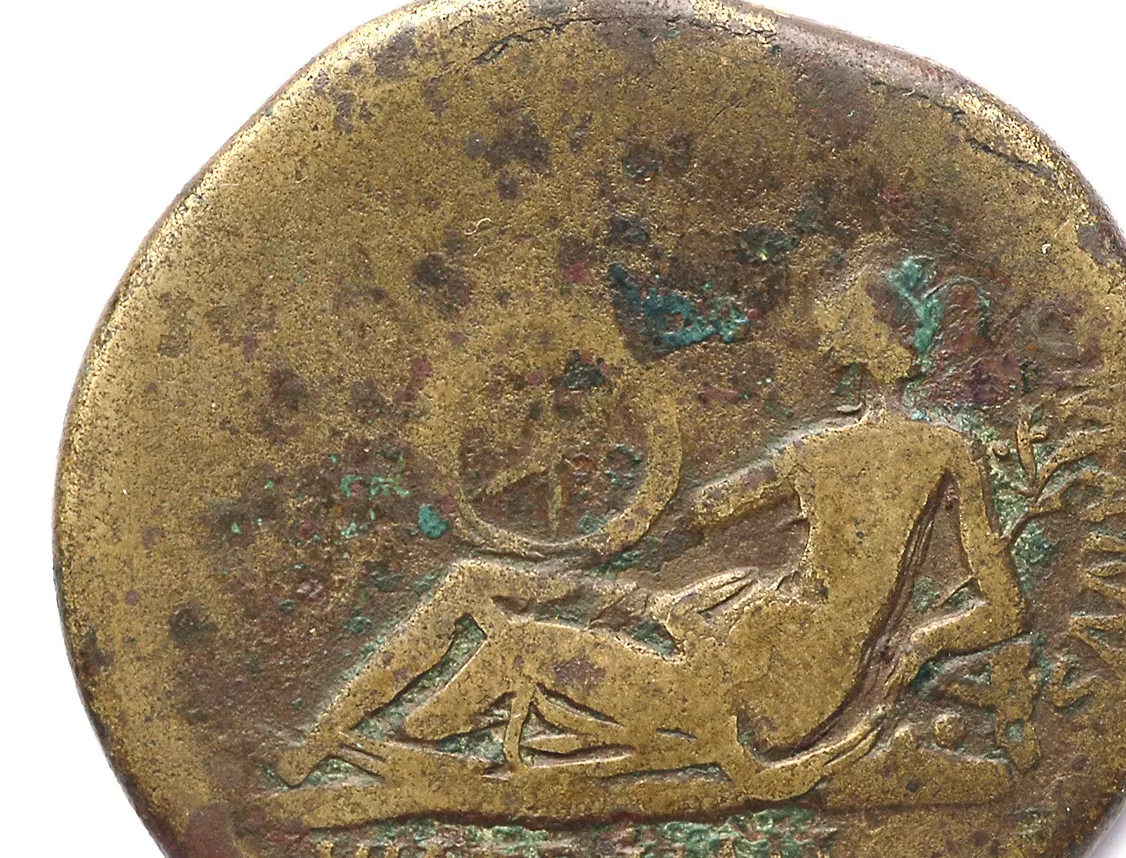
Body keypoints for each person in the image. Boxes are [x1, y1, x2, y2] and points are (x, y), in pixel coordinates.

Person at [275, 245, 1025, 813]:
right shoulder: (937, 449)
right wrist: (906, 648)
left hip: (744, 690)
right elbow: (1004, 609)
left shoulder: (820, 454)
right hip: (753, 660)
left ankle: (385, 751)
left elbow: (695, 513)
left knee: (511, 635)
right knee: (481, 588)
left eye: (839, 330)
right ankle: (368, 745)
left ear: (863, 342)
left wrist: (638, 444)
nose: (824, 344)